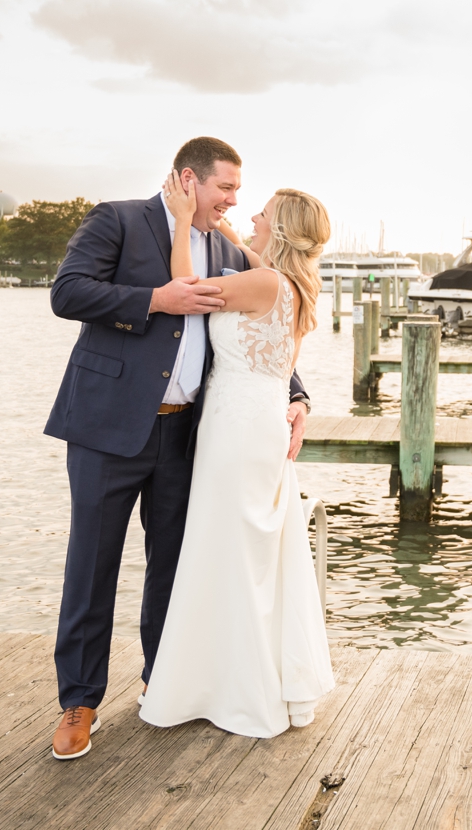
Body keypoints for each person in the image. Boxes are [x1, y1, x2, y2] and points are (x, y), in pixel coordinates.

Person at [44, 137, 311, 761]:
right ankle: (78, 702)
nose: (234, 202)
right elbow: (68, 293)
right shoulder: (117, 219)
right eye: (226, 189)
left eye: (242, 194)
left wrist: (297, 396)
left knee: (174, 563)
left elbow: (269, 325)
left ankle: (164, 682)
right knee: (93, 564)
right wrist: (153, 301)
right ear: (188, 180)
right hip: (109, 426)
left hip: (192, 433)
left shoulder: (225, 246)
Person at [138, 177, 335, 737]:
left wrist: (182, 219)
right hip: (261, 421)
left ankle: (232, 685)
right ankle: (244, 677)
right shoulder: (289, 283)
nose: (251, 218)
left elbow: (185, 286)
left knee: (225, 548)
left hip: (235, 427)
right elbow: (251, 255)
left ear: (282, 230)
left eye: (263, 215)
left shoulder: (264, 283)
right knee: (249, 550)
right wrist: (218, 223)